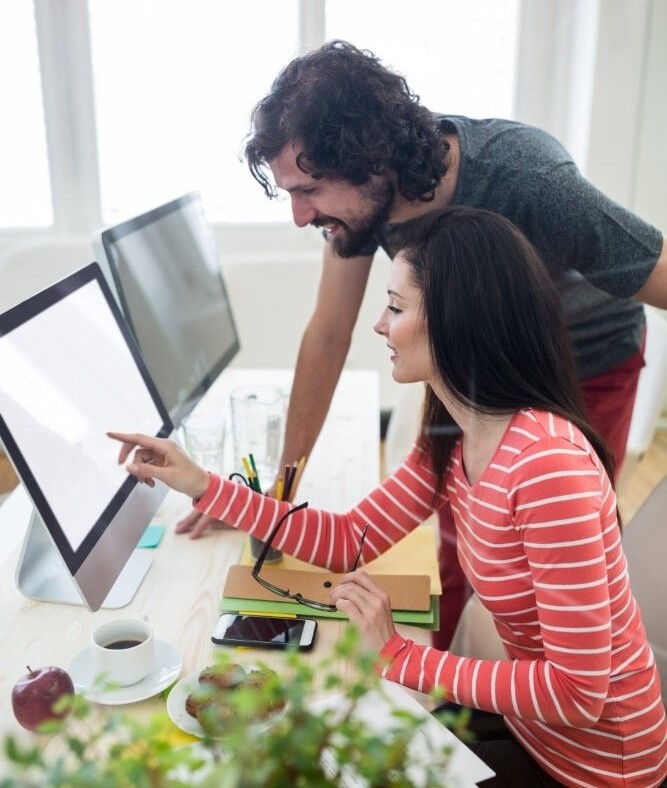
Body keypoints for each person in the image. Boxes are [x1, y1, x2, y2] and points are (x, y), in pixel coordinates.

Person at [111, 207, 667, 788]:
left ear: (458, 321)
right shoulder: (456, 435)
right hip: (531, 728)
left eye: (397, 308)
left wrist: (401, 656)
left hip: (595, 769)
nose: (379, 324)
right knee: (323, 749)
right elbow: (349, 539)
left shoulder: (548, 470)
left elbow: (578, 694)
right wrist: (201, 483)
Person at [175, 40, 667, 651]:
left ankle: (545, 701)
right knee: (460, 547)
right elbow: (327, 336)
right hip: (466, 370)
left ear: (371, 160)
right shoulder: (358, 207)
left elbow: (659, 268)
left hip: (582, 362)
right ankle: (462, 702)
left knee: (545, 562)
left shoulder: (531, 180)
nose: (300, 216)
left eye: (309, 189)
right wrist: (278, 495)